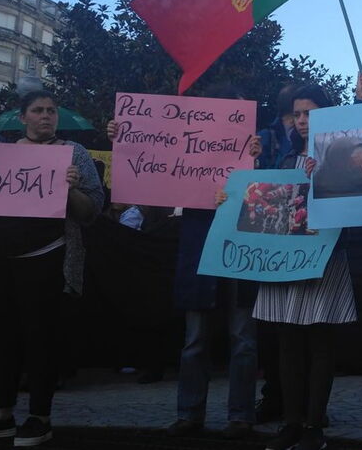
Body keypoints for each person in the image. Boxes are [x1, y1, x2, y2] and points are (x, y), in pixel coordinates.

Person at [106, 84, 259, 441]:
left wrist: (258, 160)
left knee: (243, 337)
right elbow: (148, 158)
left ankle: (241, 415)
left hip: (242, 246)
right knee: (195, 338)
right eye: (232, 116)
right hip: (198, 244)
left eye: (241, 117)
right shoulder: (188, 150)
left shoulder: (258, 147)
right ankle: (189, 414)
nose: (237, 124)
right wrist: (120, 136)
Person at [0, 90, 103, 447]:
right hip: (0, 263)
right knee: (1, 340)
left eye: (51, 111)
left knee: (41, 340)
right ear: (23, 117)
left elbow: (92, 210)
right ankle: (2, 414)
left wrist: (69, 190)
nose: (46, 116)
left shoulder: (73, 154)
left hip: (48, 259)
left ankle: (40, 417)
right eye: (38, 110)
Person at [235, 84, 359, 450]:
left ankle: (314, 425)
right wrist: (254, 169)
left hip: (326, 258)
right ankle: (290, 423)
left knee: (321, 343)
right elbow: (265, 203)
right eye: (299, 114)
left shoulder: (343, 155)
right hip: (286, 260)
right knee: (287, 343)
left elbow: (356, 202)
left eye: (311, 113)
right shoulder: (285, 158)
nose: (304, 121)